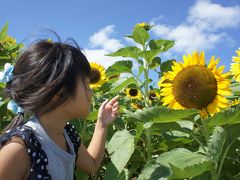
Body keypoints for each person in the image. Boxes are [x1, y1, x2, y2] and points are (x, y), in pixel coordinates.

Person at [0, 38, 119, 180]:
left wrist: (102, 124)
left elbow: (92, 164)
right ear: (59, 92)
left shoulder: (67, 134)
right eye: (86, 84)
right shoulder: (20, 149)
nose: (91, 92)